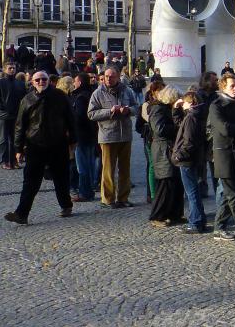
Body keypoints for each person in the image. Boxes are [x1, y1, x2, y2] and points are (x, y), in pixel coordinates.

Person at [2, 71, 76, 225]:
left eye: (44, 79)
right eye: (38, 80)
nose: (41, 82)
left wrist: (73, 141)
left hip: (58, 143)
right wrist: (18, 149)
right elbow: (20, 125)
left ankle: (66, 205)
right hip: (35, 145)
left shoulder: (60, 96)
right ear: (33, 82)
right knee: (30, 181)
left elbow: (71, 118)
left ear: (49, 81)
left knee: (61, 178)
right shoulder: (27, 99)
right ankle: (21, 214)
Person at [206, 73, 235, 240]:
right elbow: (224, 129)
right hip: (223, 154)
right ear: (223, 87)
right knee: (233, 193)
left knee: (228, 193)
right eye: (232, 86)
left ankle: (219, 227)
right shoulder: (216, 105)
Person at [87, 67, 138, 208]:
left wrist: (128, 110)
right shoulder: (97, 93)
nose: (109, 79)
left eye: (112, 76)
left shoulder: (127, 91)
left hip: (125, 135)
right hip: (108, 135)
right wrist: (109, 111)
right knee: (108, 169)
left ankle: (123, 198)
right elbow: (91, 114)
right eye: (107, 76)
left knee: (125, 169)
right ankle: (107, 199)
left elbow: (136, 107)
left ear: (117, 77)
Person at [148, 86, 185, 227]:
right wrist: (178, 128)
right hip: (163, 149)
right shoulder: (158, 109)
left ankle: (174, 213)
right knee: (165, 183)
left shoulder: (167, 109)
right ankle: (157, 215)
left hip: (170, 148)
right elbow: (160, 130)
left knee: (175, 183)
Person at [173, 91, 209, 234]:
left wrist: (178, 156)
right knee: (194, 190)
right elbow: (179, 124)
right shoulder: (199, 114)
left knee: (192, 191)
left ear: (190, 103)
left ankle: (196, 222)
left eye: (185, 102)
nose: (183, 105)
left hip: (187, 159)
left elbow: (189, 142)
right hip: (196, 158)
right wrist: (176, 110)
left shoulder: (191, 117)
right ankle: (200, 219)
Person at [0, 62, 26, 168]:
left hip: (16, 114)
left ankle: (13, 160)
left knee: (15, 139)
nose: (12, 70)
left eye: (14, 68)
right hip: (3, 115)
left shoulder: (19, 83)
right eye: (10, 68)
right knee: (3, 139)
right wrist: (1, 107)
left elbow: (24, 98)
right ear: (5, 69)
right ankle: (4, 161)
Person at [69, 74, 98, 203]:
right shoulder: (91, 93)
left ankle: (85, 192)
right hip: (91, 134)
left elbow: (79, 116)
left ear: (79, 82)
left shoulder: (80, 97)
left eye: (75, 81)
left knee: (83, 166)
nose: (73, 84)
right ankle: (89, 189)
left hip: (81, 135)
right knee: (90, 163)